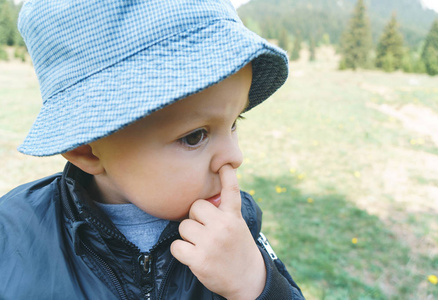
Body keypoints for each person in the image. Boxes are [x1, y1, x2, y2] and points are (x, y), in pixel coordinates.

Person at [0, 0, 304, 299]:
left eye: (235, 121)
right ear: (86, 149)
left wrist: (255, 284)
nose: (236, 157)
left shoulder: (236, 224)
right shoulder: (13, 234)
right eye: (195, 136)